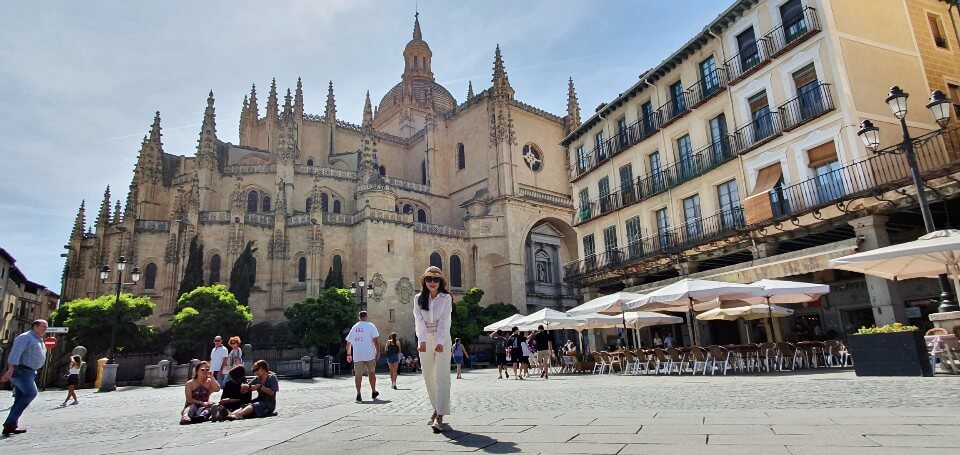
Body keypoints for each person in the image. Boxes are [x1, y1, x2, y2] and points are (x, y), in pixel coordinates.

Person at [413, 266, 453, 433]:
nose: (432, 282)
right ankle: (436, 407)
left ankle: (440, 416)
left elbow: (445, 321)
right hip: (425, 339)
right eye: (429, 279)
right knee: (428, 375)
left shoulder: (446, 298)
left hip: (441, 337)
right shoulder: (418, 298)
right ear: (424, 280)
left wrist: (441, 341)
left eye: (436, 279)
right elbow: (418, 320)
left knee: (442, 376)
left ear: (441, 281)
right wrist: (421, 341)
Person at [1, 319, 48, 436]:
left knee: (19, 399)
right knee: (31, 393)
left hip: (30, 372)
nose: (45, 329)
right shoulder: (25, 337)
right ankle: (9, 423)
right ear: (35, 326)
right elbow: (14, 354)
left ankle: (10, 426)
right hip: (22, 371)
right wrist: (10, 370)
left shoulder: (39, 340)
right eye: (43, 327)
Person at [346, 310, 380, 403]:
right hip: (369, 353)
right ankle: (373, 391)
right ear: (366, 317)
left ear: (359, 317)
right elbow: (375, 339)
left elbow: (348, 342)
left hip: (357, 354)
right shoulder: (370, 326)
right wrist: (378, 351)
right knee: (371, 372)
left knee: (358, 375)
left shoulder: (354, 327)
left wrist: (349, 354)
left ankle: (358, 394)